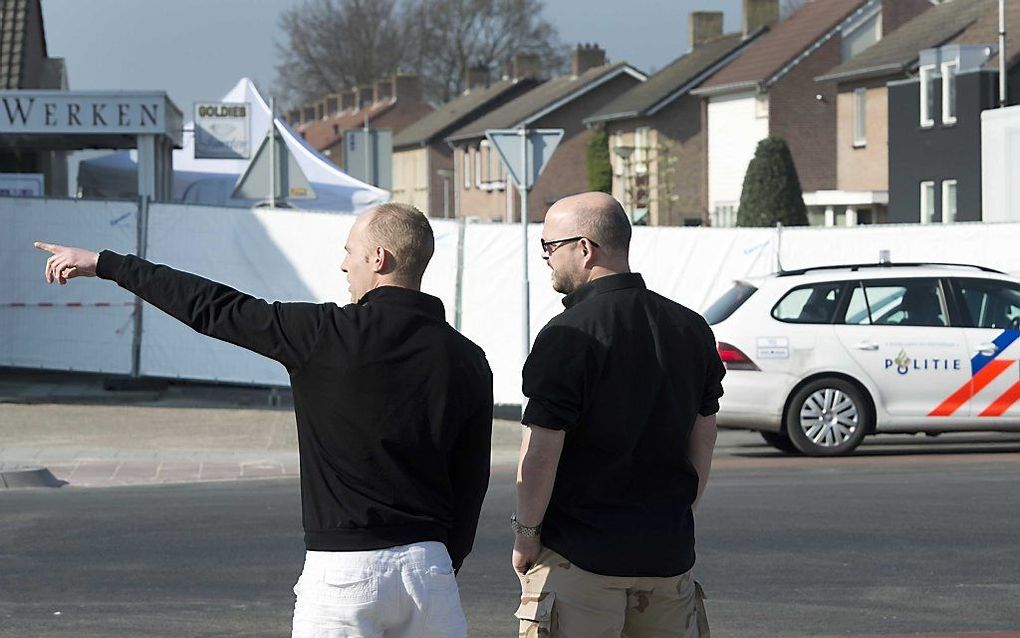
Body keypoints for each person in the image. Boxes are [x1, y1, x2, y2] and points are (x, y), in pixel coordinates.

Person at [35, 202, 493, 638]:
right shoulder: (469, 359)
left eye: (349, 252)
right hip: (429, 572)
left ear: (379, 257)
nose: (343, 265)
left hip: (345, 573)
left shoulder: (321, 335)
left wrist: (106, 264)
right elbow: (472, 479)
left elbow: (212, 307)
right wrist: (440, 562)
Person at [511, 192, 724, 638]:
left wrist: (526, 533)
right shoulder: (691, 328)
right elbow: (703, 435)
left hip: (581, 560)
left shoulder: (566, 335)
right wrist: (678, 512)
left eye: (550, 247)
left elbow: (541, 452)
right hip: (667, 558)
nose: (546, 258)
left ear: (585, 249)